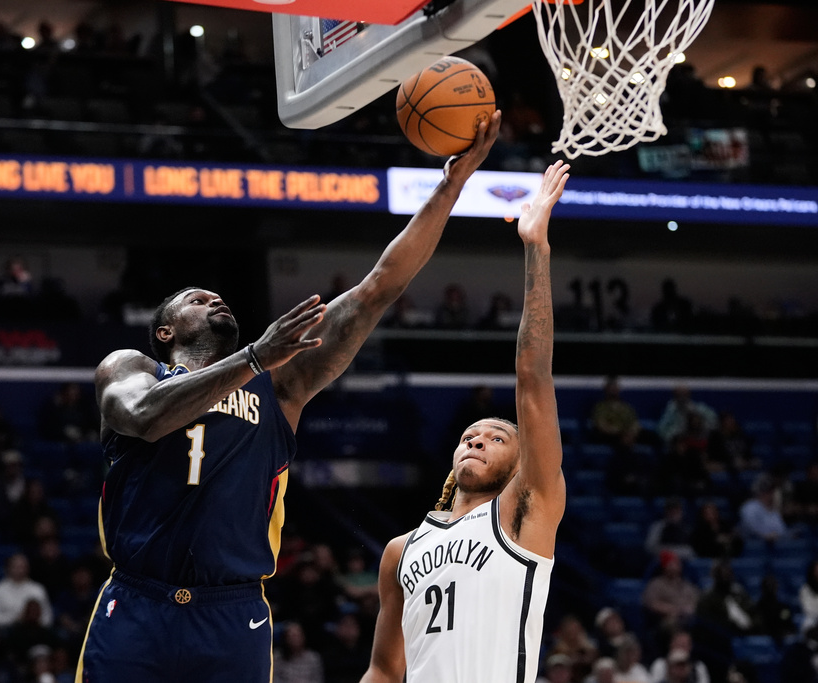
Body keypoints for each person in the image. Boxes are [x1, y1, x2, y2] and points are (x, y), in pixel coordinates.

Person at [79, 112, 503, 683]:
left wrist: (451, 185)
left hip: (233, 614)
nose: (214, 301)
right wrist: (253, 356)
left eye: (219, 297)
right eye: (198, 299)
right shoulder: (132, 369)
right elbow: (142, 418)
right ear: (165, 331)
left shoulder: (281, 384)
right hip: (136, 603)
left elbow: (380, 287)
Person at [359, 160, 570, 683]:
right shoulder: (400, 551)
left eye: (498, 436)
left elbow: (532, 376)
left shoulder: (524, 510)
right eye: (469, 434)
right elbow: (385, 670)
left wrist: (535, 249)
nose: (477, 437)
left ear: (522, 461)